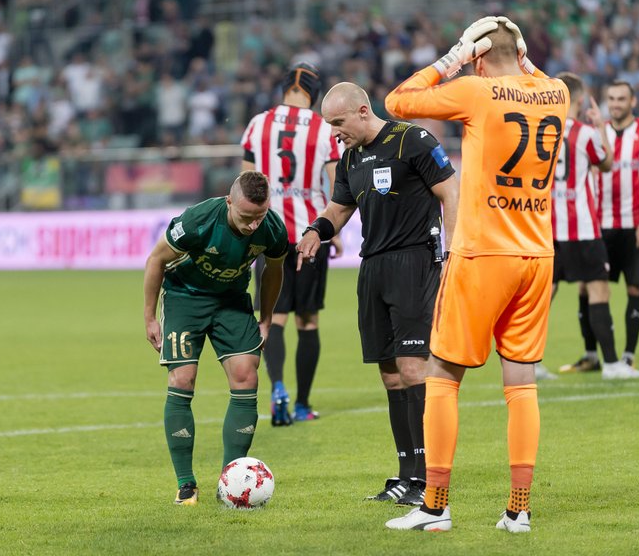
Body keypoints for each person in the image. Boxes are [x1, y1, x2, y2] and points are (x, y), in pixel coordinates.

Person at [382, 17, 568, 532]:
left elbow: (399, 101)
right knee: (522, 384)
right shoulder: (555, 93)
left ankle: (436, 507)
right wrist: (519, 53)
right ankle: (518, 510)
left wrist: (454, 57)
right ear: (523, 51)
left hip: (484, 253)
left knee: (443, 378)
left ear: (479, 55)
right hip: (537, 257)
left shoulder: (475, 89)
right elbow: (531, 74)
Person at [296, 82, 459, 507]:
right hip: (374, 267)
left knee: (411, 367)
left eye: (338, 122)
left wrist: (453, 251)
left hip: (415, 263)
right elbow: (340, 209)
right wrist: (317, 229)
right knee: (389, 373)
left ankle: (426, 478)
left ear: (363, 111)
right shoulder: (351, 157)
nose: (334, 132)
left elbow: (451, 192)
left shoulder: (412, 140)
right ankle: (406, 474)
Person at [143, 170, 288, 506]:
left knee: (246, 375)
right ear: (229, 203)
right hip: (185, 297)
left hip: (232, 303)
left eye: (260, 215)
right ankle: (185, 484)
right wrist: (150, 317)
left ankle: (230, 480)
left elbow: (274, 270)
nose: (254, 224)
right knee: (183, 378)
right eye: (246, 216)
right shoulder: (198, 221)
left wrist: (266, 319)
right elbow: (156, 261)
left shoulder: (273, 228)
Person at [240, 62, 345, 425]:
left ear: (284, 89)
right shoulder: (324, 128)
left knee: (272, 317)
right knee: (308, 320)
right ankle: (301, 404)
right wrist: (337, 232)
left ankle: (277, 388)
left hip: (268, 234)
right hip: (310, 234)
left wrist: (245, 228)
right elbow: (337, 184)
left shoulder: (259, 124)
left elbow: (244, 184)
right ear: (315, 94)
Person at [552, 73, 639, 379]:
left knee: (541, 296)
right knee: (599, 290)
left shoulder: (541, 130)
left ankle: (528, 363)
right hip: (581, 227)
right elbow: (606, 163)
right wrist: (598, 127)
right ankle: (611, 364)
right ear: (580, 100)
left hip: (549, 227)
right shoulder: (583, 133)